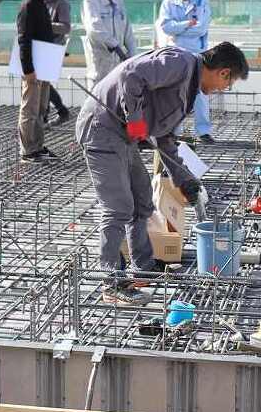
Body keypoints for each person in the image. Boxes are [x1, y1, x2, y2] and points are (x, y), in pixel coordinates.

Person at [76, 42, 249, 305]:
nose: (225, 89)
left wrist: (185, 180)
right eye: (229, 82)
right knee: (118, 207)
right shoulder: (179, 63)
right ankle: (111, 282)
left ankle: (142, 267)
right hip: (102, 127)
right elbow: (130, 75)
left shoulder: (188, 88)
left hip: (122, 136)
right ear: (223, 72)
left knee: (143, 200)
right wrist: (135, 119)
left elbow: (165, 139)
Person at [156, 0, 215, 144]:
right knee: (176, 92)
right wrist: (187, 23)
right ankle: (174, 131)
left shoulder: (202, 2)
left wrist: (178, 29)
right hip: (175, 53)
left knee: (200, 92)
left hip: (198, 53)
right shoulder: (168, 3)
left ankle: (203, 131)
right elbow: (166, 28)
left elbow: (201, 29)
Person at [15, 0, 59, 164]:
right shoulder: (28, 6)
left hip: (45, 63)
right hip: (34, 67)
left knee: (41, 109)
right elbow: (23, 39)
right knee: (30, 109)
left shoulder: (41, 3)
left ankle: (38, 146)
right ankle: (27, 150)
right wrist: (28, 69)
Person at [81, 0, 137, 88]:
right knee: (98, 95)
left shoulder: (119, 2)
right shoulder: (91, 2)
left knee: (116, 94)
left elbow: (127, 31)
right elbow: (94, 29)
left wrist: (133, 55)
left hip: (119, 61)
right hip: (101, 59)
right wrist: (115, 45)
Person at [45, 0, 72, 127]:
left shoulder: (61, 4)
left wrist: (45, 25)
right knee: (42, 83)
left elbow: (66, 27)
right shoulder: (42, 2)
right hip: (42, 47)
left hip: (54, 47)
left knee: (42, 83)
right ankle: (53, 113)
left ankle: (60, 112)